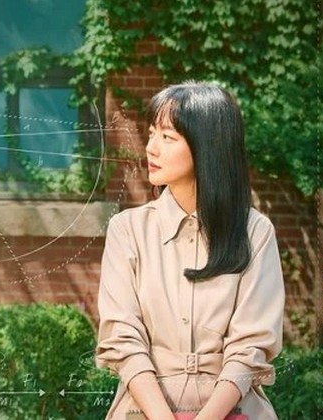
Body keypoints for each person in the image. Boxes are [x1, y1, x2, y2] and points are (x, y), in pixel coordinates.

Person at [96, 82, 284, 420]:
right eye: (151, 134)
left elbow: (250, 346)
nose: (151, 148)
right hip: (143, 409)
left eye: (167, 137)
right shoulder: (128, 229)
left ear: (207, 146)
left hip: (235, 409)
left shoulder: (254, 232)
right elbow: (122, 339)